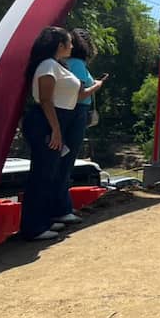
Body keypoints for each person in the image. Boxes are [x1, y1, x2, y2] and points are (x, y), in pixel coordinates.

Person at [20, 27, 103, 241]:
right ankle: (34, 226)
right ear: (60, 45)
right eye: (69, 42)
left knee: (50, 172)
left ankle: (45, 219)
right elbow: (46, 100)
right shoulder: (48, 65)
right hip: (47, 121)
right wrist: (56, 130)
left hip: (57, 120)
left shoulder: (58, 65)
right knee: (42, 174)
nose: (72, 46)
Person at [57, 28, 107, 226]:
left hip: (69, 113)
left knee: (62, 162)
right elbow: (80, 93)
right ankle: (62, 209)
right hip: (76, 113)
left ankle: (61, 207)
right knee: (66, 163)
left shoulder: (66, 63)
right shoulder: (77, 64)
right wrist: (97, 85)